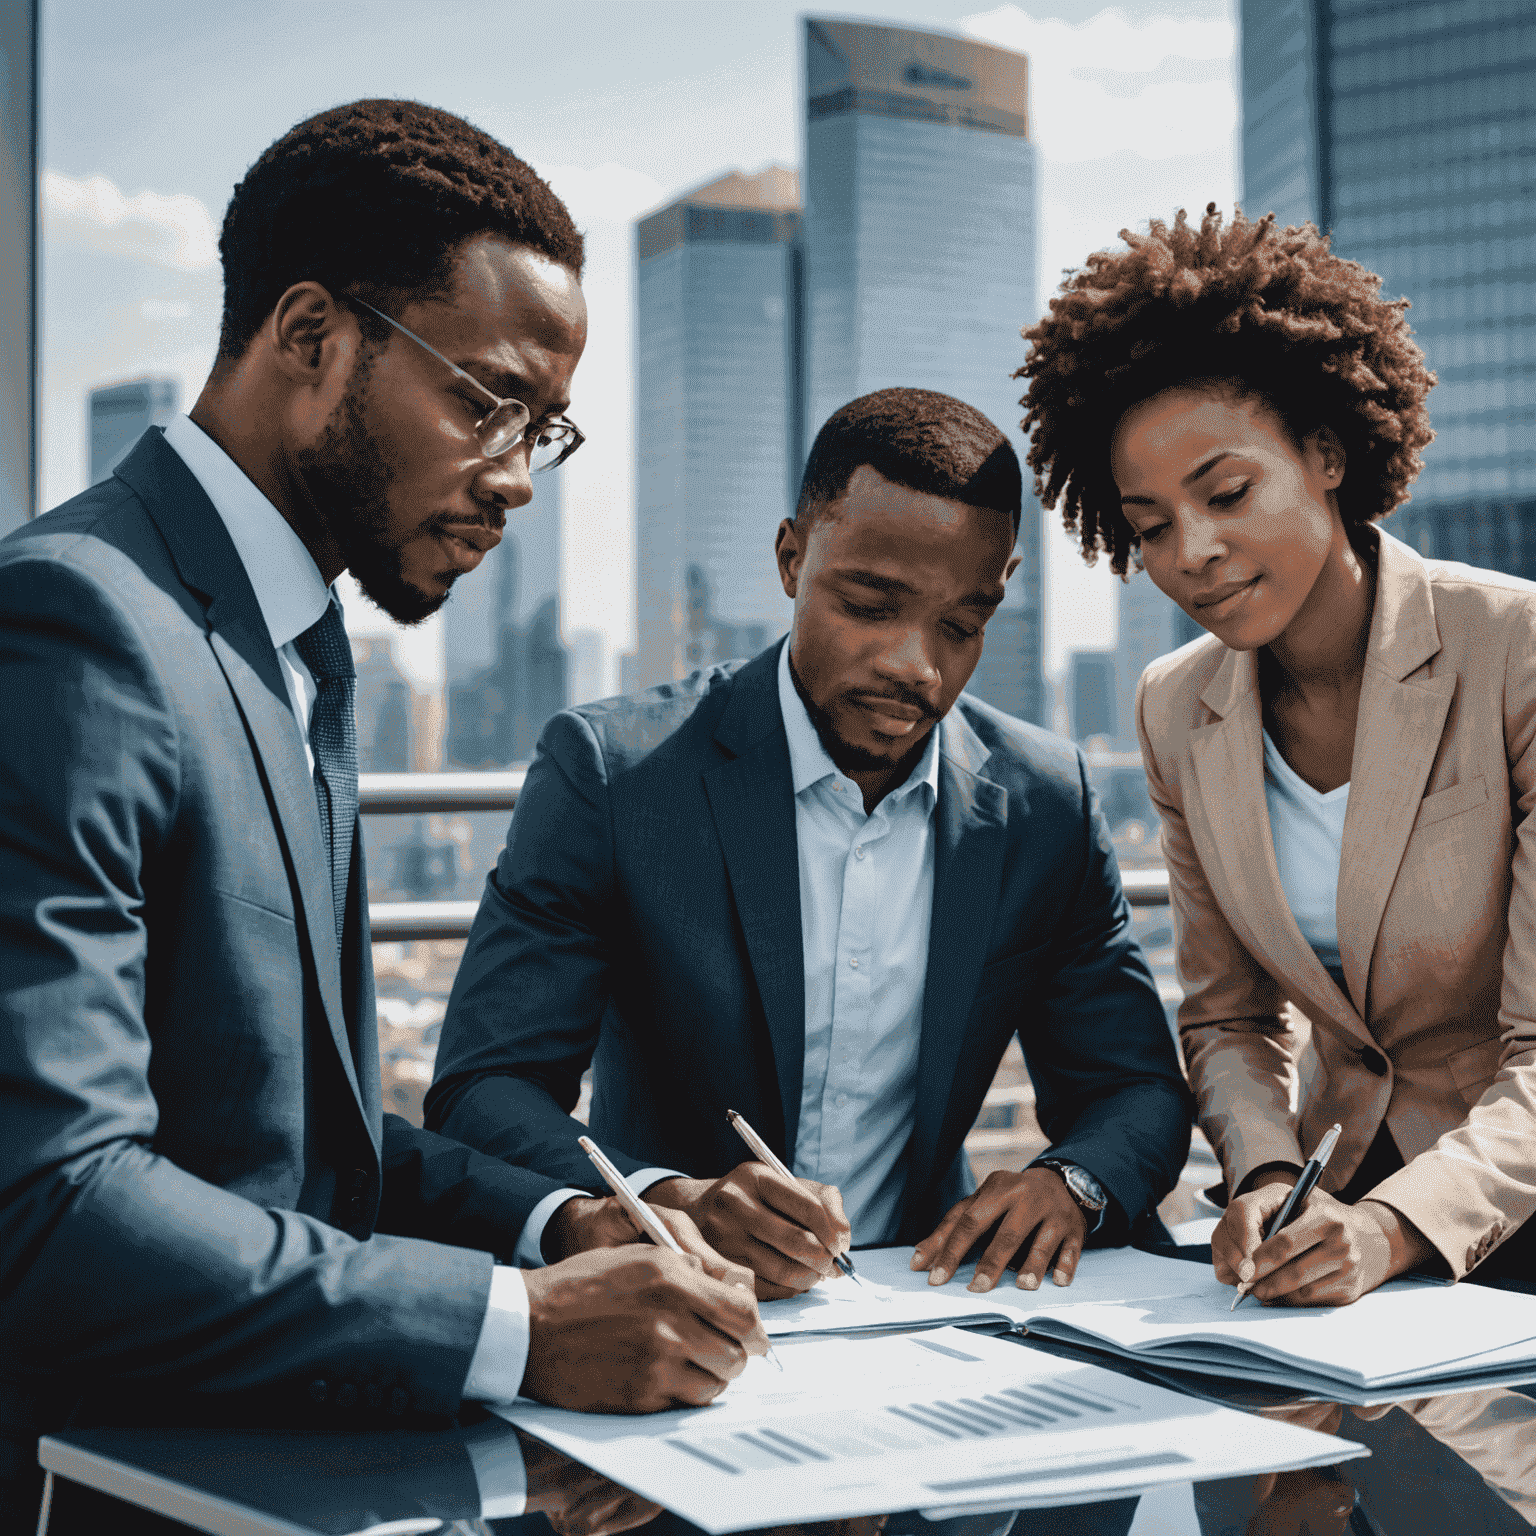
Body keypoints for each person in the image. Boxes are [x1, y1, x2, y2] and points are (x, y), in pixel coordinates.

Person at [0, 100, 768, 1533]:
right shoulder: (75, 625)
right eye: (485, 401)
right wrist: (523, 1324)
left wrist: (568, 1227)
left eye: (547, 427)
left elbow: (303, 1145)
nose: (520, 477)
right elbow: (52, 1206)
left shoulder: (300, 652)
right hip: (108, 1487)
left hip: (296, 1472)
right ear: (309, 337)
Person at [426, 387, 1192, 1306]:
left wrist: (1068, 1184)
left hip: (931, 1308)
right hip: (675, 1304)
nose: (915, 664)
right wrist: (668, 1199)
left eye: (961, 625)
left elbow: (1135, 1089)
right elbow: (485, 1087)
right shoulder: (618, 775)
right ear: (793, 558)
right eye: (871, 605)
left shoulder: (1042, 801)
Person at [1018, 203, 1536, 1306]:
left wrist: (1398, 1228)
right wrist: (1259, 1171)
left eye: (1228, 493)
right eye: (1149, 524)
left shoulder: (1514, 653)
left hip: (1504, 1208)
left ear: (1329, 454)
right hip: (1327, 1224)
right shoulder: (1176, 710)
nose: (1191, 554)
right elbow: (1229, 1017)